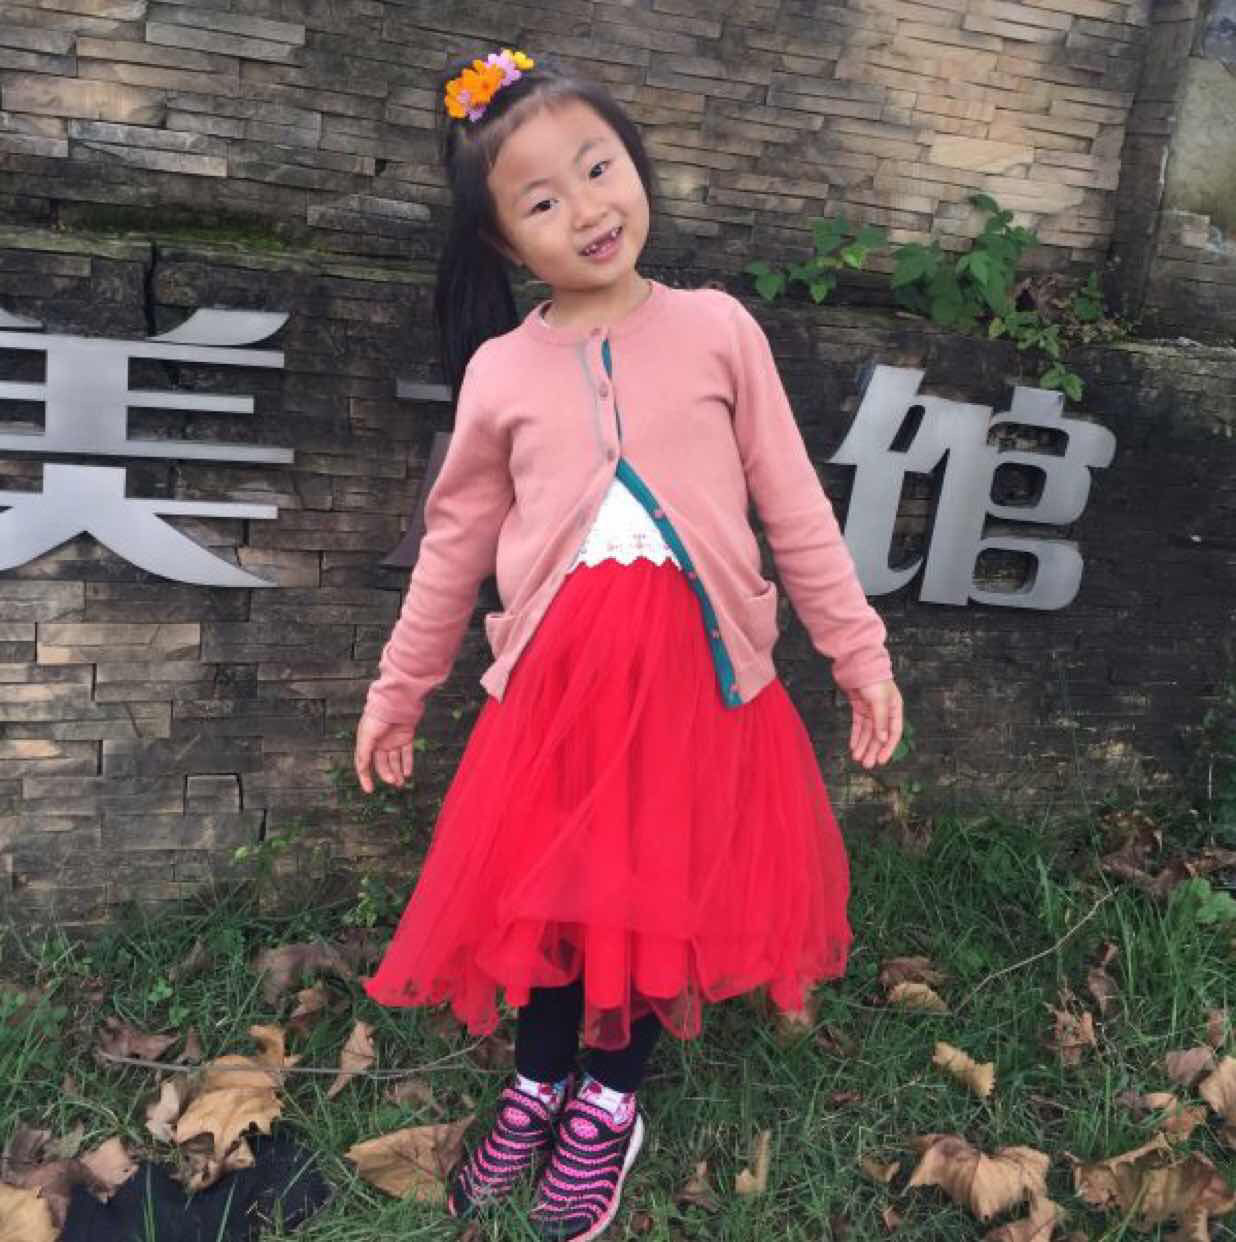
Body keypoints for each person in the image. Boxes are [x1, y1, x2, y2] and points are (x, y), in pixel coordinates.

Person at [353, 47, 904, 1242]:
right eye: (542, 200)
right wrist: (400, 690)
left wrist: (857, 652)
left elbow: (794, 506)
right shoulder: (502, 371)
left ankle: (610, 1101)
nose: (588, 210)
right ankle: (537, 1082)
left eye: (599, 170)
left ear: (638, 167)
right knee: (553, 895)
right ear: (504, 242)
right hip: (555, 697)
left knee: (649, 886)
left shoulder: (716, 330)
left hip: (694, 686)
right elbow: (453, 545)